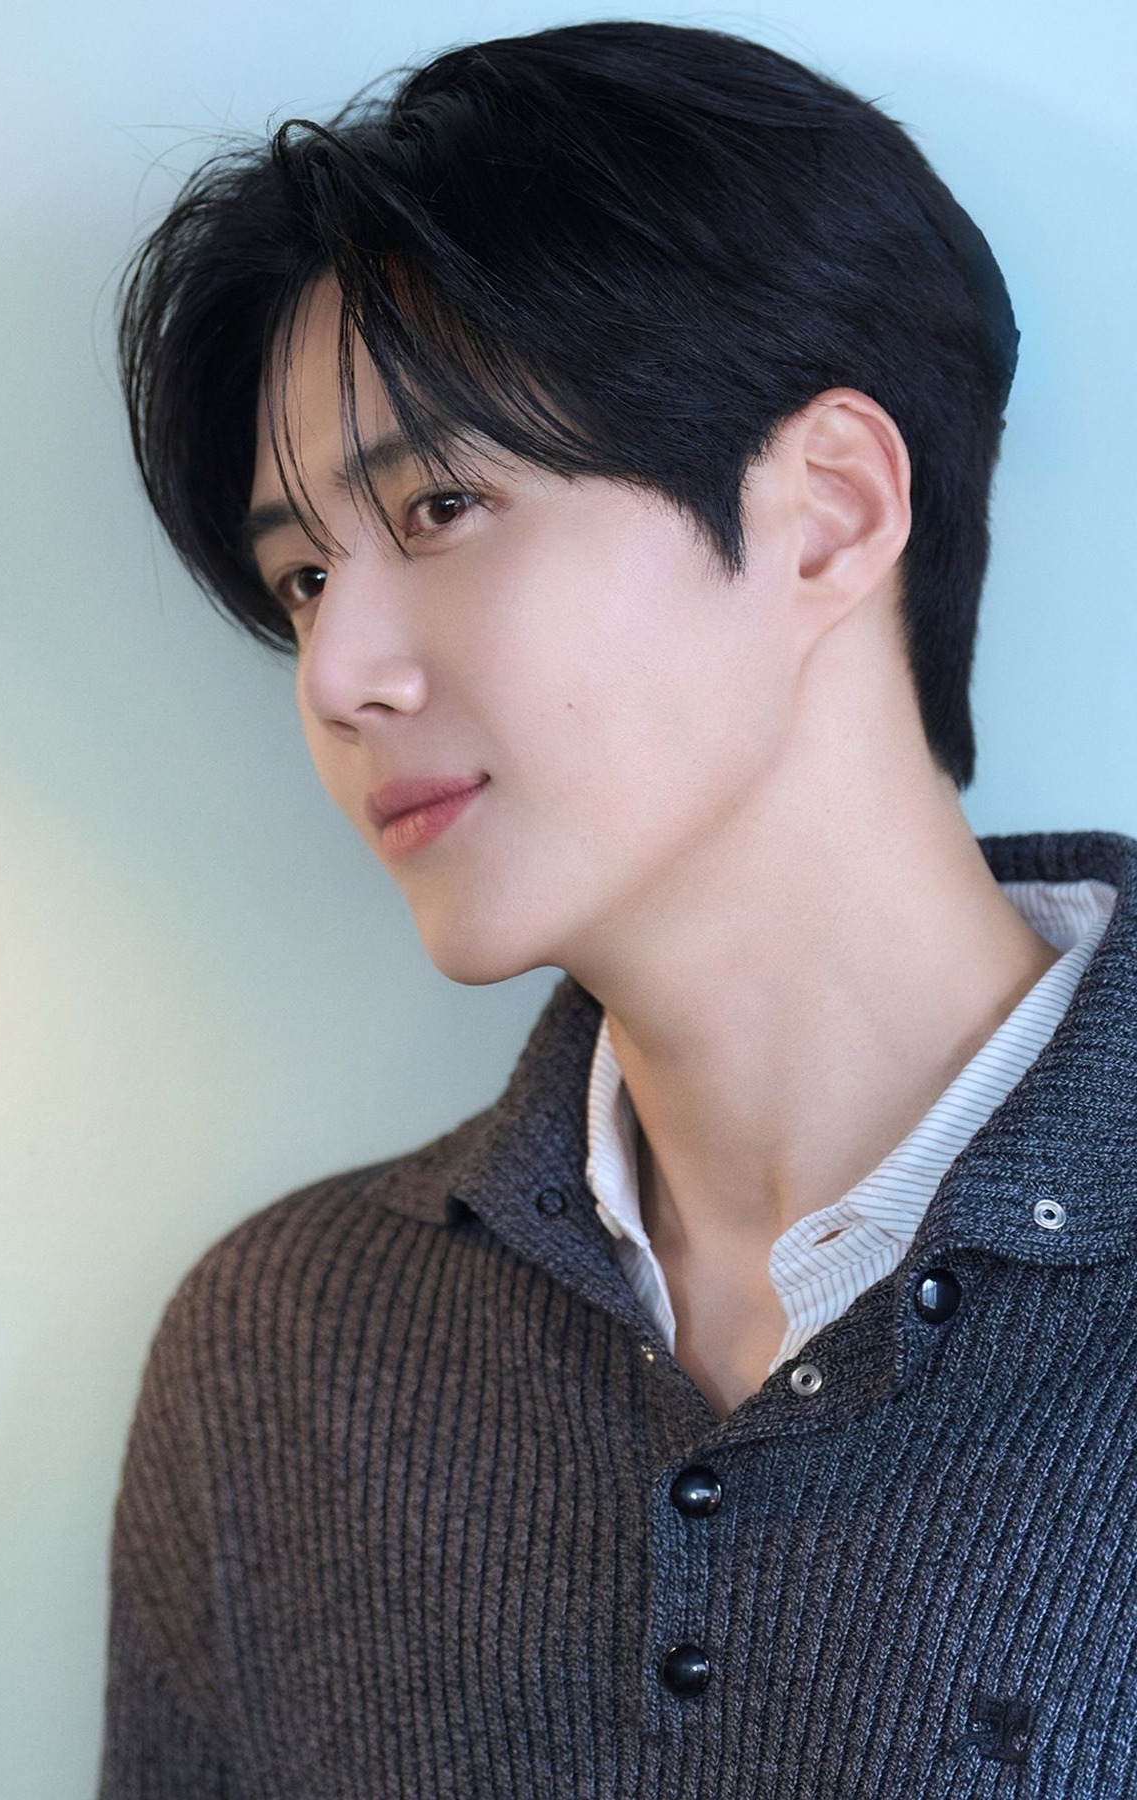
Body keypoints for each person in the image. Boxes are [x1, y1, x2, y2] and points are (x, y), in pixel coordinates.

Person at [100, 20, 1137, 1797]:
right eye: (303, 578)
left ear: (828, 514)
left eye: (441, 504)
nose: (337, 674)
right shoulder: (279, 1352)